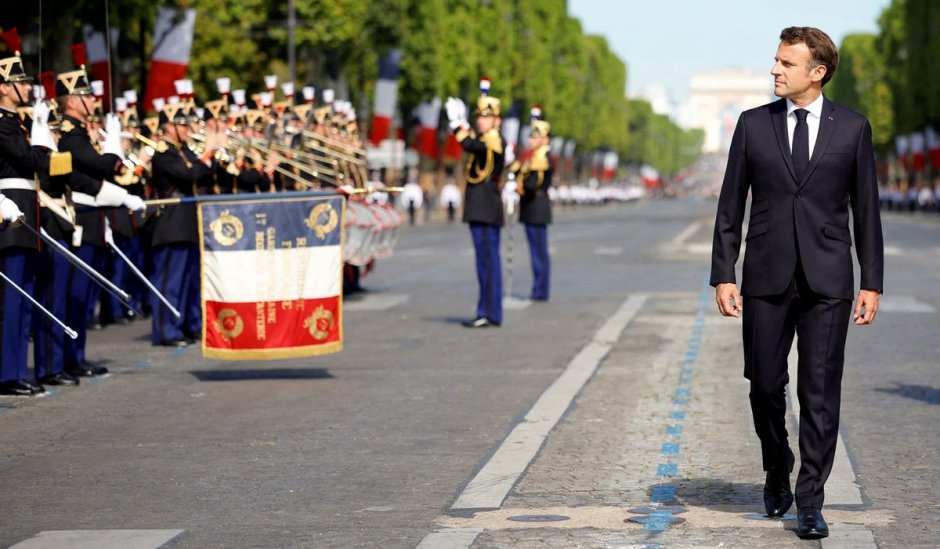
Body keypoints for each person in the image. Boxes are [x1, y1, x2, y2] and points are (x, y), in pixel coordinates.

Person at [710, 27, 884, 540]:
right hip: (765, 275)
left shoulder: (852, 128)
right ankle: (775, 461)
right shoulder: (751, 125)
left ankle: (810, 499)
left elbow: (867, 211)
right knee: (764, 384)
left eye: (786, 63)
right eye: (775, 61)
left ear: (818, 72)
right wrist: (724, 272)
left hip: (829, 277)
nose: (775, 71)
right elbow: (729, 207)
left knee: (819, 392)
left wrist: (871, 280)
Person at [0, 52, 72, 395]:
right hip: (8, 219)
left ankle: (15, 371)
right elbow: (30, 159)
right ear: (3, 87)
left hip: (28, 213)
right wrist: (43, 137)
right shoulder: (2, 122)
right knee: (11, 301)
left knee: (23, 300)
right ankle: (6, 374)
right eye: (21, 82)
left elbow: (55, 170)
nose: (28, 87)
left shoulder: (16, 123)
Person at [446, 78, 506, 328]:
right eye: (478, 116)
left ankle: (489, 312)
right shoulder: (487, 139)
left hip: (485, 207)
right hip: (482, 206)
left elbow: (471, 145)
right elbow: (473, 144)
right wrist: (463, 124)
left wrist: (456, 123)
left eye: (486, 117)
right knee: (485, 262)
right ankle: (489, 311)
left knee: (487, 262)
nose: (480, 120)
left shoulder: (492, 140)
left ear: (496, 121)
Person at [511, 105, 553, 301]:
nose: (532, 140)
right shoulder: (535, 157)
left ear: (545, 139)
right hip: (532, 207)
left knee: (538, 251)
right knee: (537, 250)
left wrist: (519, 186)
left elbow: (531, 182)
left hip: (536, 206)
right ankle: (539, 288)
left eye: (535, 137)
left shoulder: (542, 157)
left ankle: (540, 289)